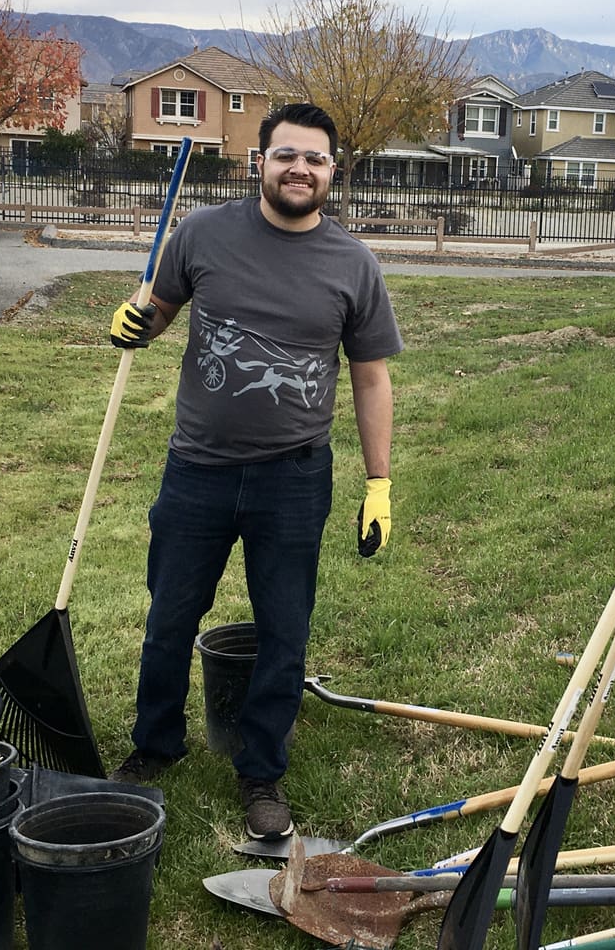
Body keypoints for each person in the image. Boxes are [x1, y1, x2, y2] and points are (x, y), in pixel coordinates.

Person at [105, 102, 403, 842]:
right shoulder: (203, 233)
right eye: (286, 155)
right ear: (258, 162)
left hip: (293, 478)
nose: (300, 168)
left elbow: (371, 379)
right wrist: (134, 317)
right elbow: (161, 306)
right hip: (197, 470)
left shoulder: (352, 265)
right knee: (171, 617)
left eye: (316, 159)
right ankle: (154, 745)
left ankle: (262, 770)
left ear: (334, 171)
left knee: (284, 631)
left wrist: (379, 483)